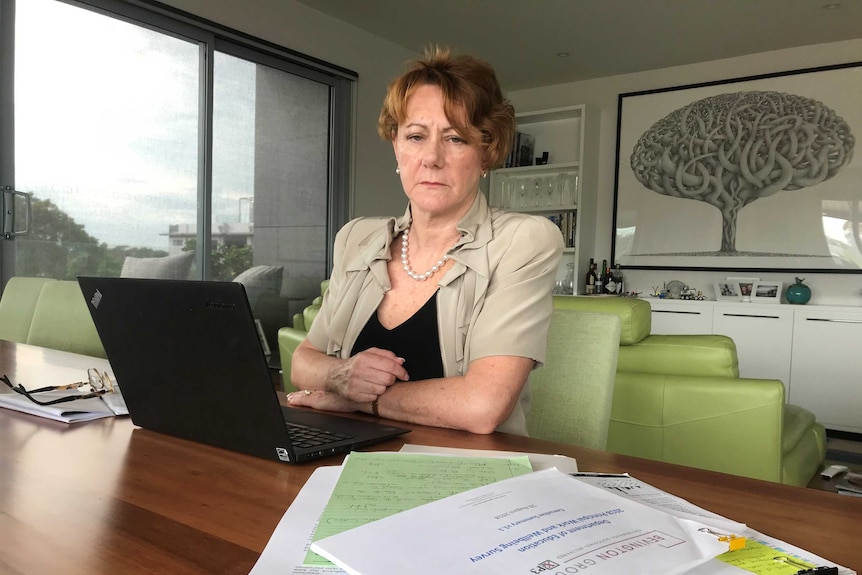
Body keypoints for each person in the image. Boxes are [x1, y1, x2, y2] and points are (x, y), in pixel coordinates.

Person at [286, 47, 563, 435]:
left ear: (486, 153)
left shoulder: (523, 241)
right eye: (416, 136)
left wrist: (360, 400)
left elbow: (482, 407)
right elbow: (302, 363)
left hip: (473, 476)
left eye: (456, 139)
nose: (431, 158)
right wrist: (342, 373)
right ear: (396, 146)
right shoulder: (357, 237)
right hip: (350, 458)